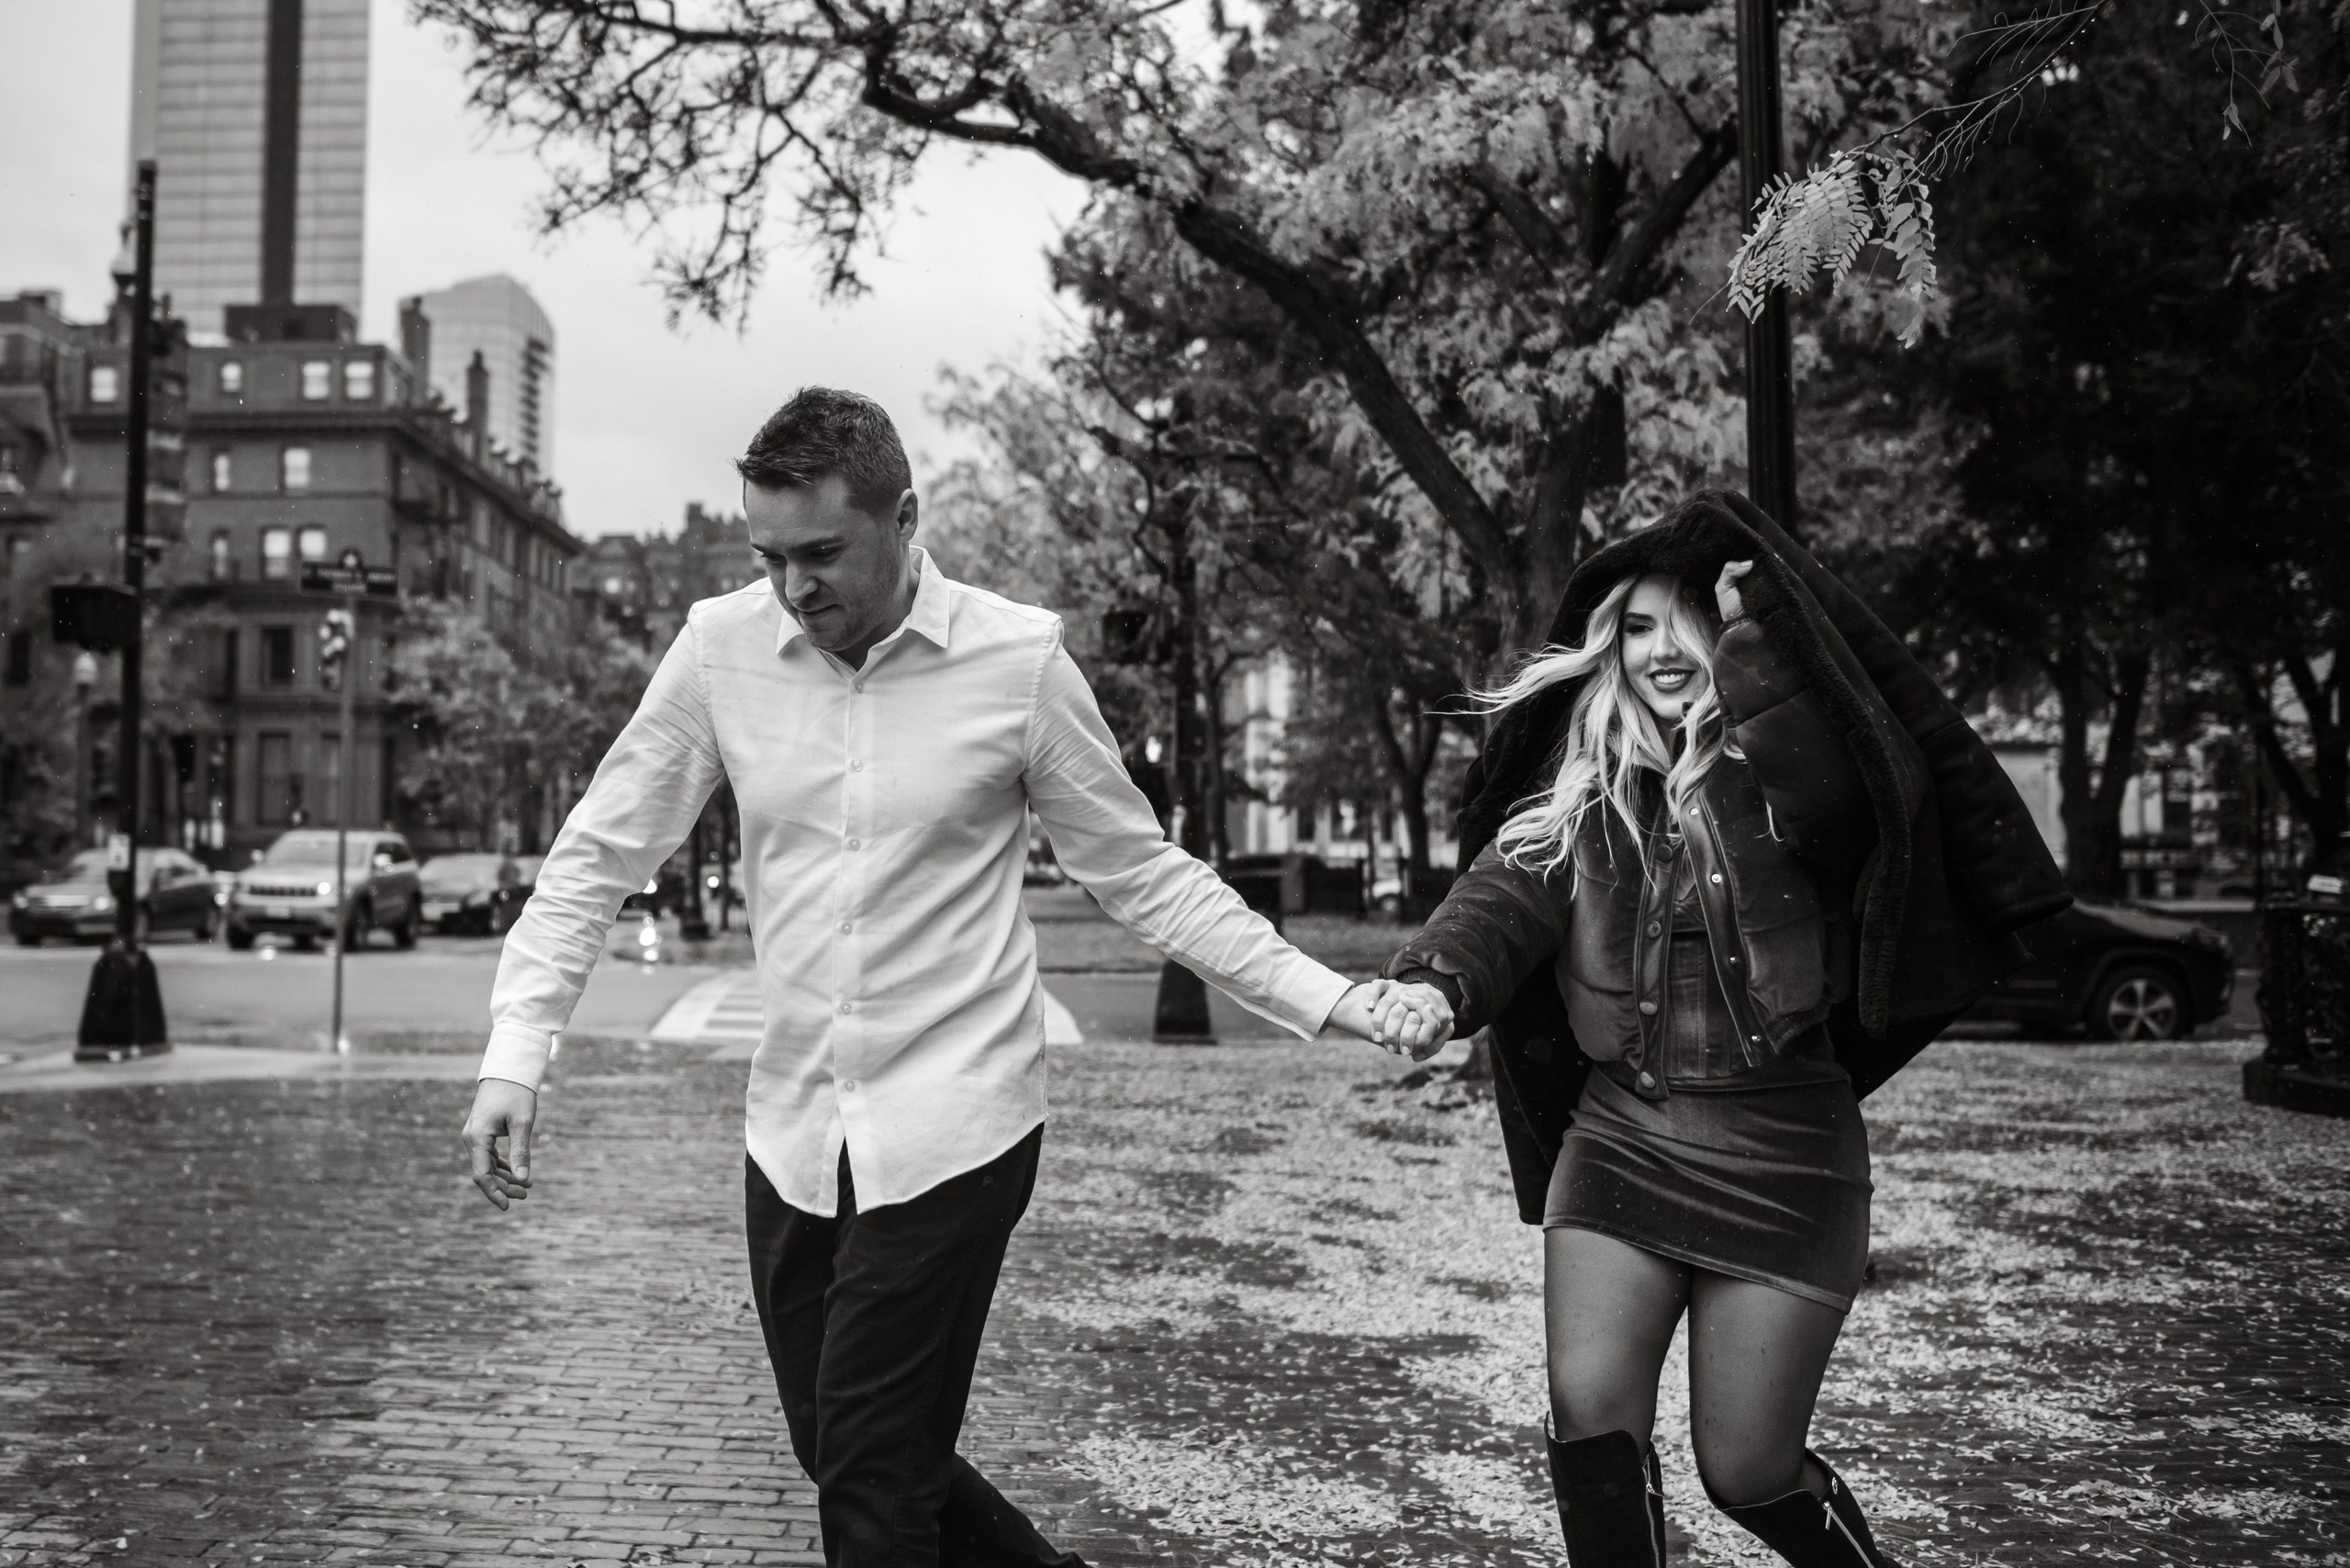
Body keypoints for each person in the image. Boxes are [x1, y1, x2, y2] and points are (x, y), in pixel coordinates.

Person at [459, 388, 1447, 1568]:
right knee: (846, 1443)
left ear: (906, 516)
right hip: (793, 1127)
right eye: (769, 556)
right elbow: (597, 854)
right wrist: (518, 1051)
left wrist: (1324, 994)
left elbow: (1140, 872)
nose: (792, 588)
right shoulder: (719, 651)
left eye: (822, 553)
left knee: (871, 1475)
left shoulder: (1016, 661)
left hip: (959, 1123)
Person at [1367, 491, 2067, 1567]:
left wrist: (1759, 644)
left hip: (1787, 1155)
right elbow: (1500, 902)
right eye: (1633, 628)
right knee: (1591, 1424)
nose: (1655, 650)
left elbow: (1845, 793)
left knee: (1746, 1467)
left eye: (1679, 623)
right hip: (1621, 1142)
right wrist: (1435, 983)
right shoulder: (1580, 799)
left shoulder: (1792, 780)